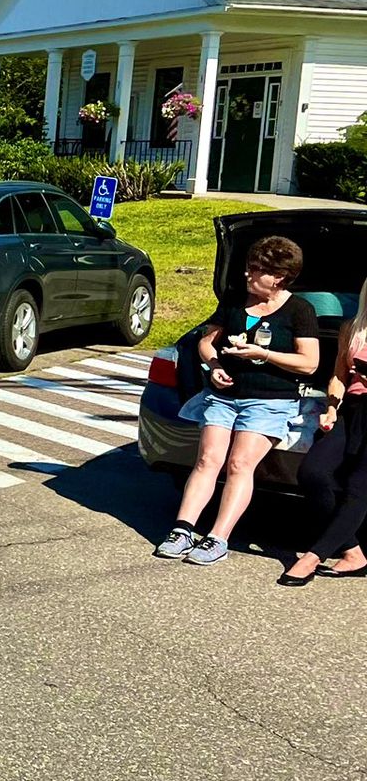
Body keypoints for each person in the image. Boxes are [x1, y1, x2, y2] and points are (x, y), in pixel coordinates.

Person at [156, 236, 322, 566]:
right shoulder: (234, 301)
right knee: (207, 460)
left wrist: (265, 354)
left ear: (279, 276)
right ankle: (182, 528)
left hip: (270, 401)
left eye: (256, 270)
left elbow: (310, 363)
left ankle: (218, 537)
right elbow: (206, 343)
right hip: (224, 396)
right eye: (248, 267)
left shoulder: (299, 311)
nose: (248, 275)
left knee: (239, 464)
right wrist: (214, 366)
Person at [280, 279, 367, 585]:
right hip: (353, 411)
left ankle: (312, 557)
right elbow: (339, 376)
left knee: (358, 487)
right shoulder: (353, 328)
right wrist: (332, 408)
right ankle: (353, 550)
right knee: (313, 473)